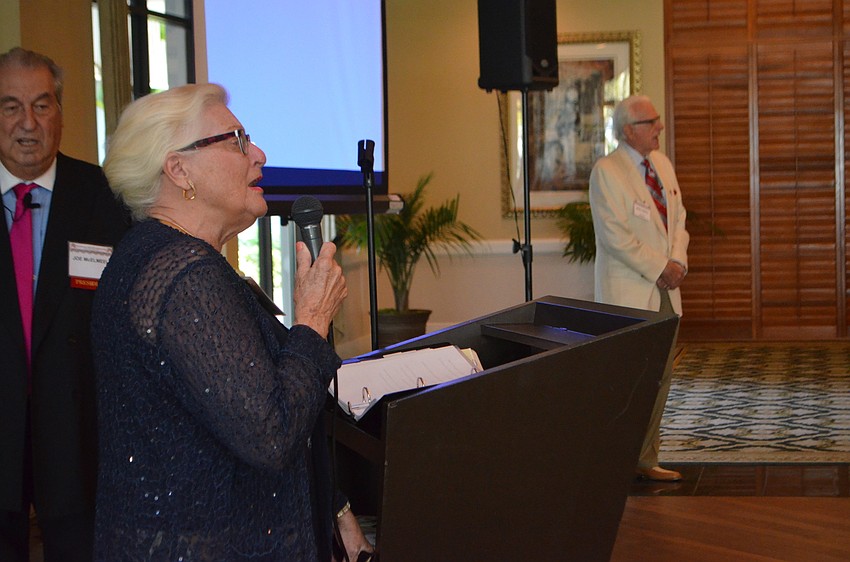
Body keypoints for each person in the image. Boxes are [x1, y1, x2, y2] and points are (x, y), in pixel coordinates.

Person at [92, 82, 373, 561]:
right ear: (179, 169)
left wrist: (336, 509)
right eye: (237, 140)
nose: (258, 154)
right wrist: (310, 323)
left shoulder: (156, 256)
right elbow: (270, 433)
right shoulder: (185, 277)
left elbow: (234, 415)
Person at [0, 47, 130, 561]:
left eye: (42, 105)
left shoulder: (104, 195)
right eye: (10, 106)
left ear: (61, 112)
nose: (27, 123)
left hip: (80, 438)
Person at [588, 94, 689, 482]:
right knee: (628, 378)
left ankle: (647, 459)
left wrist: (677, 261)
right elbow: (615, 236)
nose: (660, 127)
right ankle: (614, 461)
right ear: (629, 130)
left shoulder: (661, 164)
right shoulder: (607, 171)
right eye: (653, 122)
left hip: (665, 289)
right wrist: (661, 266)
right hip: (629, 292)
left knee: (660, 377)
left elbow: (678, 219)